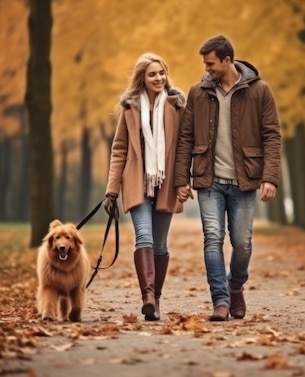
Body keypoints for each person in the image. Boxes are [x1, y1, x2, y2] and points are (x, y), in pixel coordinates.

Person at [174, 35, 281, 321]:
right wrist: (181, 179)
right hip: (210, 180)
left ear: (227, 60)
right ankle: (220, 301)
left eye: (210, 63)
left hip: (244, 180)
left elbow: (272, 135)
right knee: (212, 239)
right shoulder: (198, 92)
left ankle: (235, 287)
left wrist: (270, 177)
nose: (206, 68)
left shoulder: (259, 91)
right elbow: (185, 137)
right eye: (204, 63)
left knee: (243, 243)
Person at [103, 52, 186, 321]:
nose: (158, 78)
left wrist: (185, 180)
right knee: (145, 238)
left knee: (160, 245)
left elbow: (185, 149)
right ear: (143, 78)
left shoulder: (177, 106)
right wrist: (111, 190)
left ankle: (157, 299)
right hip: (137, 183)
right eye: (152, 74)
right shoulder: (130, 109)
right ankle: (147, 297)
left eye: (162, 73)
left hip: (166, 184)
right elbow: (119, 150)